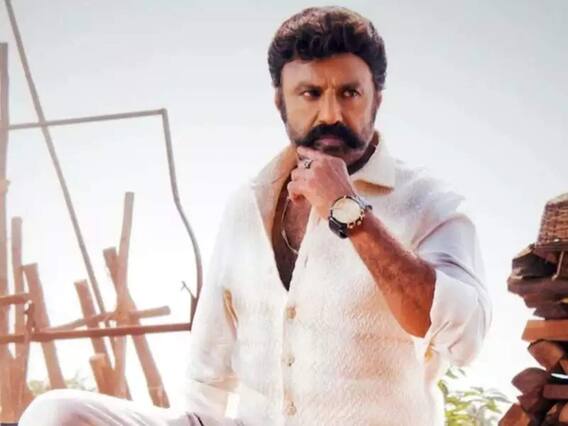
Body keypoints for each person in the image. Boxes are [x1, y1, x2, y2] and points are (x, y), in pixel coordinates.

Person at [19, 6, 491, 426]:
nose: (330, 114)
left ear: (377, 99)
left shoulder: (429, 203)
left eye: (349, 93)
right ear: (280, 101)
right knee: (55, 413)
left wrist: (349, 212)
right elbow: (208, 375)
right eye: (310, 93)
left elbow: (465, 339)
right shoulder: (246, 205)